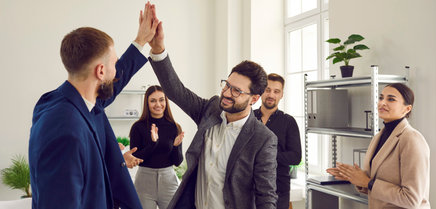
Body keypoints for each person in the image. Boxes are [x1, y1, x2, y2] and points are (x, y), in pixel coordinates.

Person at [28, 2, 160, 209]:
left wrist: (141, 41)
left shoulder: (76, 102)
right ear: (100, 72)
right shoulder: (64, 130)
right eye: (113, 65)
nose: (116, 72)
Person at [146, 13, 278, 209]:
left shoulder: (263, 138)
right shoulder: (211, 110)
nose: (226, 93)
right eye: (227, 84)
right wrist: (158, 49)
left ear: (254, 99)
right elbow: (176, 91)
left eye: (236, 91)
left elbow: (266, 195)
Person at [326, 83, 430, 209]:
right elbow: (378, 184)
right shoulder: (379, 136)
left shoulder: (411, 139)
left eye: (391, 99)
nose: (382, 103)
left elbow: (411, 199)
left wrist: (367, 182)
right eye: (381, 98)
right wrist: (354, 177)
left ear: (407, 109)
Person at [130, 85, 184, 209]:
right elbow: (135, 158)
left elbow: (177, 162)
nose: (158, 104)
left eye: (161, 100)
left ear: (166, 101)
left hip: (168, 181)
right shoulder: (138, 127)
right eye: (153, 101)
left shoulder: (174, 127)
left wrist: (175, 146)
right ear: (147, 103)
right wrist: (153, 144)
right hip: (144, 182)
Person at [254, 73, 302, 209]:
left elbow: (295, 157)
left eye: (276, 91)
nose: (271, 95)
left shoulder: (288, 122)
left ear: (282, 95)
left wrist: (265, 155)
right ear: (261, 91)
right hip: (248, 188)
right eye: (268, 90)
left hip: (278, 189)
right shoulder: (249, 118)